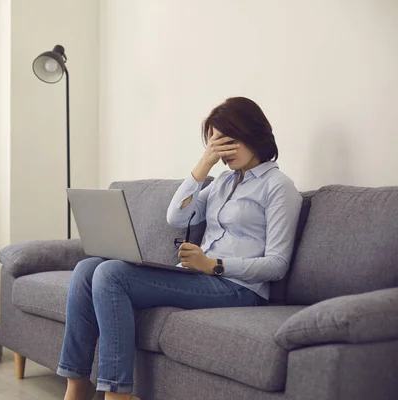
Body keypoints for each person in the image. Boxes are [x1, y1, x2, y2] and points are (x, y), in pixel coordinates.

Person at [56, 97, 303, 400]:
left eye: (228, 141)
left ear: (254, 133)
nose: (222, 151)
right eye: (215, 144)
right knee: (86, 268)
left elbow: (277, 264)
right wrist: (204, 164)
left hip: (239, 288)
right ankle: (77, 386)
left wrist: (213, 264)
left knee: (111, 274)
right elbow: (176, 216)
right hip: (199, 277)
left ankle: (117, 394)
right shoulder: (224, 182)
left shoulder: (279, 187)